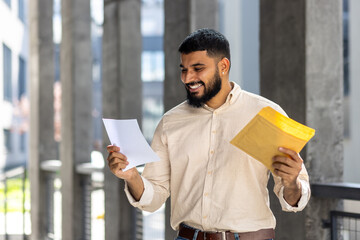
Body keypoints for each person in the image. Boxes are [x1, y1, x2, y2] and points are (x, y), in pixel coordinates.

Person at [107, 28, 310, 240]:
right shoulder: (171, 122)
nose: (187, 78)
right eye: (183, 70)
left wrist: (292, 182)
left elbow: (296, 199)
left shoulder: (266, 114)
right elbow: (154, 197)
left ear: (223, 66)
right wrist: (131, 176)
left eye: (197, 68)